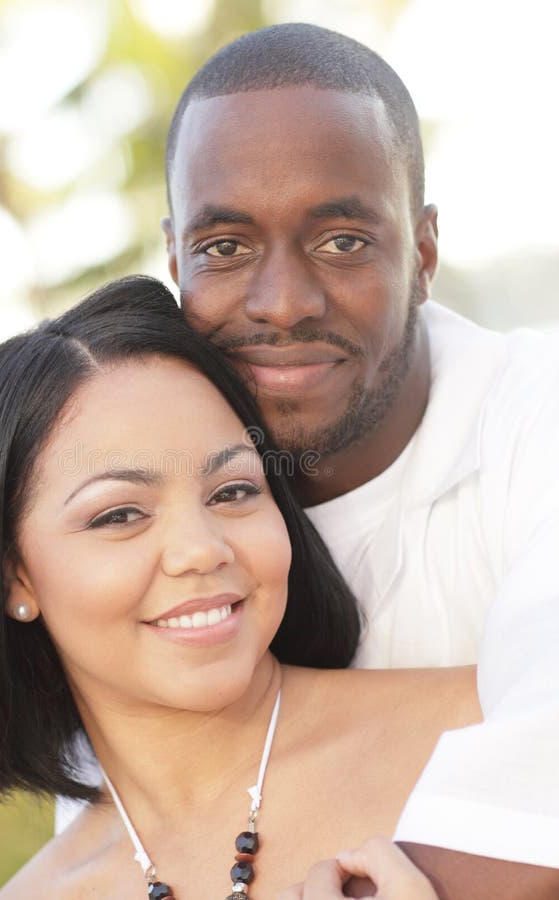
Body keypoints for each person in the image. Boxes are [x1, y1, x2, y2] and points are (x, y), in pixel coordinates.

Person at [155, 21, 559, 898]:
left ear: (421, 252)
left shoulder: (539, 423)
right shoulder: (150, 520)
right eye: (224, 248)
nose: (284, 304)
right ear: (174, 259)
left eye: (341, 241)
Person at [0, 276, 480, 899]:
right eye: (119, 515)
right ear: (15, 575)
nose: (201, 549)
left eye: (233, 491)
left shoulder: (479, 736)